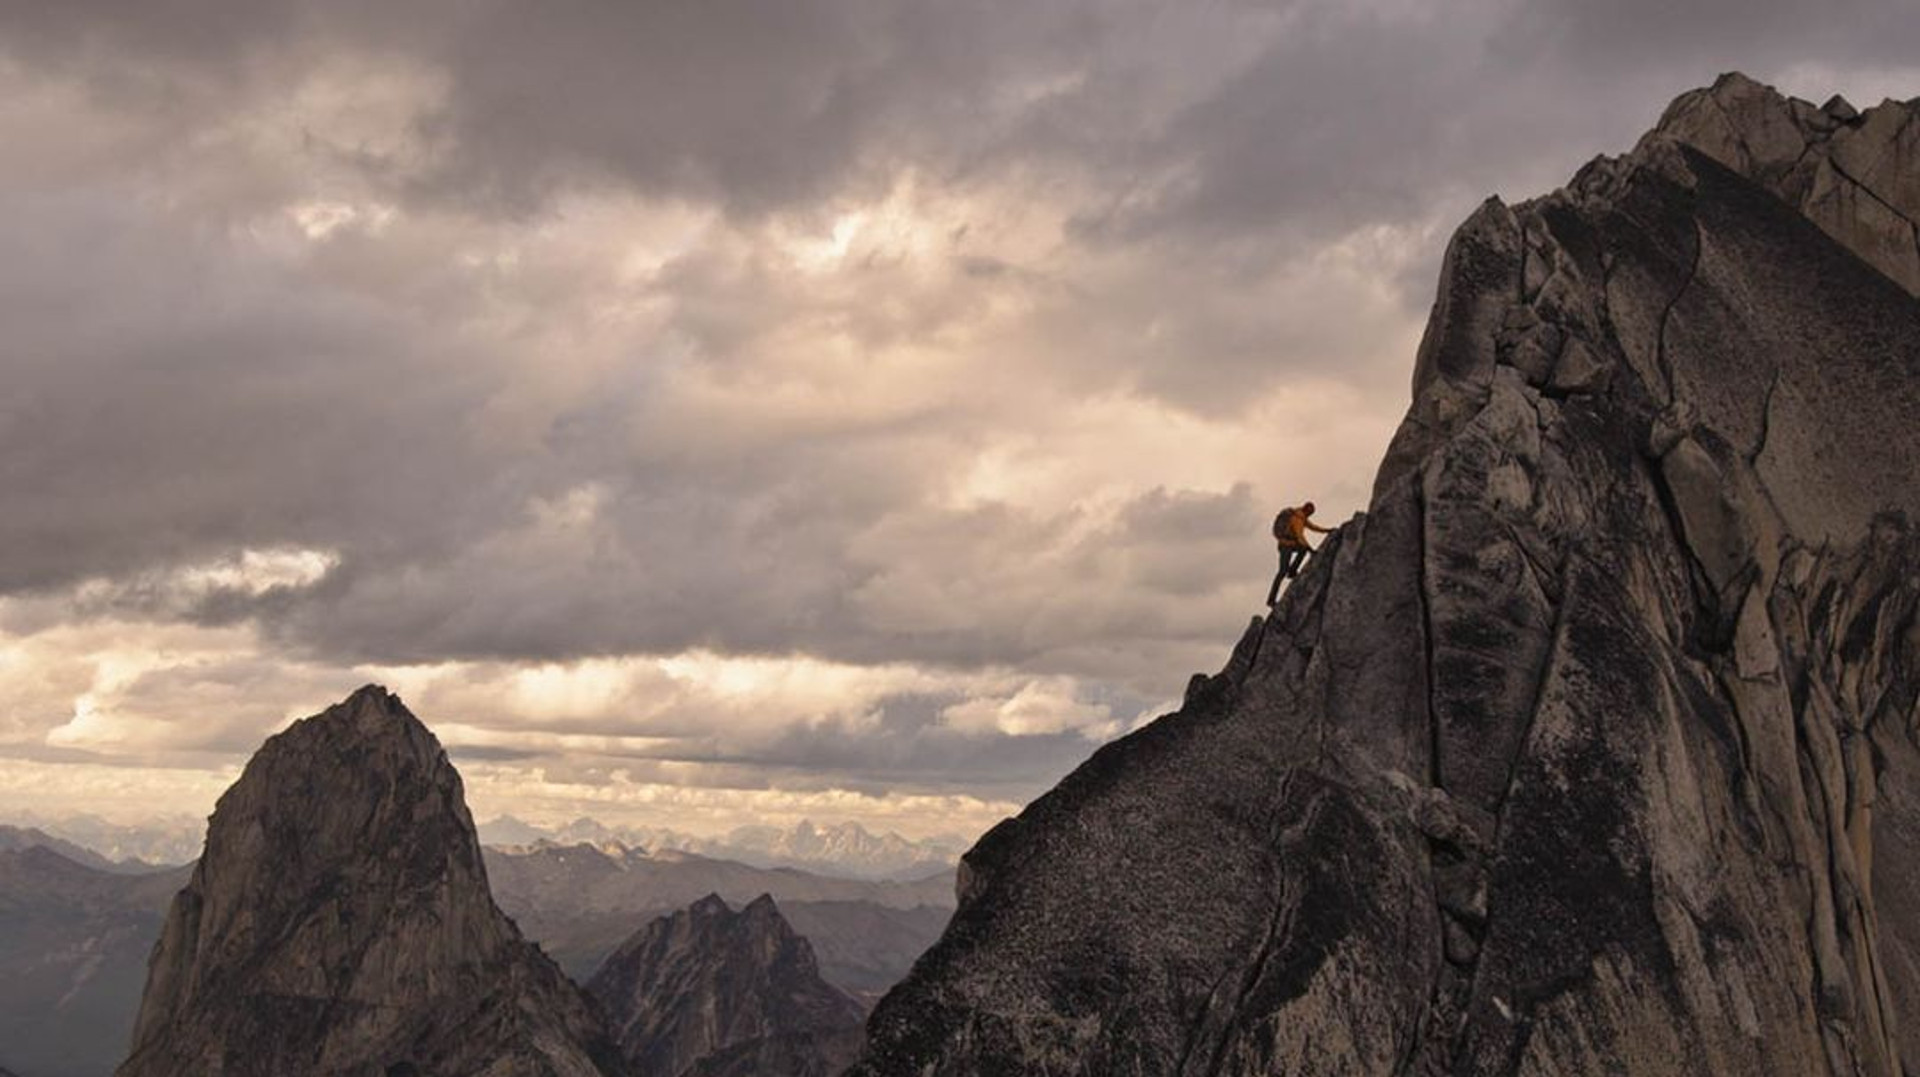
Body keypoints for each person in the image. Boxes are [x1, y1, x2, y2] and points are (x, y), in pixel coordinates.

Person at [1266, 501, 1332, 606]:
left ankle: (1292, 571)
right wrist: (1310, 549)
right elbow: (1299, 536)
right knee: (1282, 572)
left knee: (1302, 550)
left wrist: (1327, 530)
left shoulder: (1302, 517)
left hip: (1290, 544)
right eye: (1310, 513)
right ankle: (1271, 600)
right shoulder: (1297, 518)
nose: (1310, 515)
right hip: (1285, 546)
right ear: (1306, 509)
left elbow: (1313, 527)